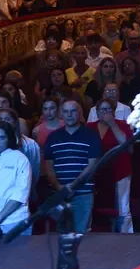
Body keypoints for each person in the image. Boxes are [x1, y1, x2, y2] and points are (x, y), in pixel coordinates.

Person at [43, 98, 102, 234]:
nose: (69, 115)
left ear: (80, 113)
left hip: (83, 194)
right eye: (66, 111)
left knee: (81, 236)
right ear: (61, 114)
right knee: (61, 237)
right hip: (60, 194)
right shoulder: (53, 137)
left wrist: (73, 186)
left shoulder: (91, 135)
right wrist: (59, 187)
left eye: (73, 111)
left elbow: (92, 165)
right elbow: (48, 167)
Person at [86, 99, 133, 233]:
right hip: (94, 171)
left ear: (114, 112)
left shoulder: (122, 124)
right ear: (97, 112)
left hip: (120, 169)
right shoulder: (90, 127)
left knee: (123, 208)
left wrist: (112, 124)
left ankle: (127, 236)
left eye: (109, 109)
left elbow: (126, 145)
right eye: (103, 109)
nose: (106, 112)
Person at [0, 121, 31, 234]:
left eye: (2, 138)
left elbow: (20, 194)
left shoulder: (20, 159)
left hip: (15, 221)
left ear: (9, 139)